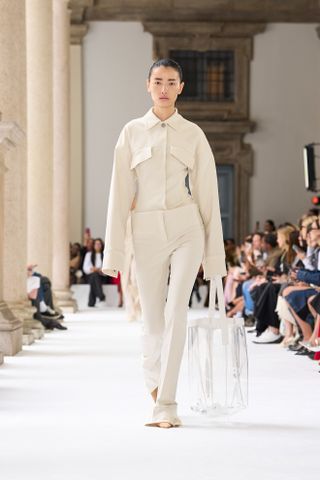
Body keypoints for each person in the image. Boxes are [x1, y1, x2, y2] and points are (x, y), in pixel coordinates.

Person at [102, 58, 226, 428]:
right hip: (146, 230)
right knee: (153, 322)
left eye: (171, 82)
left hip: (187, 226)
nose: (164, 88)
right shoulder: (131, 132)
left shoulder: (194, 134)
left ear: (180, 87)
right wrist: (115, 252)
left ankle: (167, 404)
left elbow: (208, 196)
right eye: (158, 81)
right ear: (148, 85)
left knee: (177, 312)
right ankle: (154, 380)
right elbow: (119, 193)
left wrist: (214, 256)